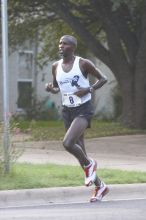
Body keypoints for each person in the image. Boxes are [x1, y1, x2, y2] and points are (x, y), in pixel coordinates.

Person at [45, 35, 109, 202]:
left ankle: (90, 165)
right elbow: (57, 87)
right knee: (81, 153)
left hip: (83, 110)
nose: (61, 46)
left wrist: (88, 89)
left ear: (72, 47)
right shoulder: (55, 66)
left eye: (64, 43)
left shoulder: (83, 63)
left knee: (68, 143)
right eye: (59, 43)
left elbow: (103, 79)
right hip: (68, 110)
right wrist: (50, 89)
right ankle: (100, 186)